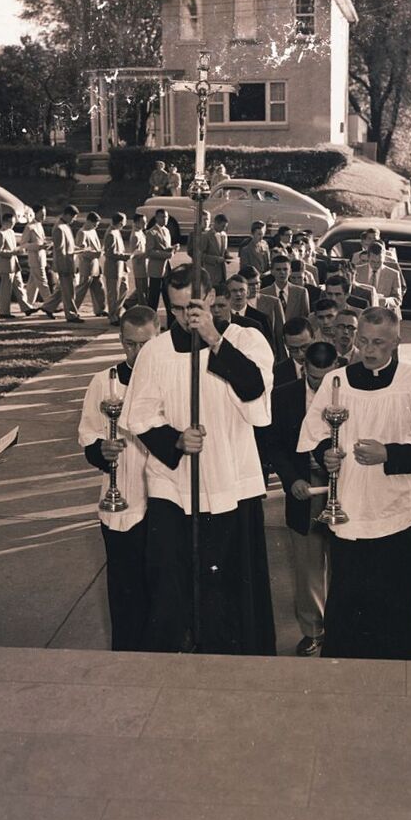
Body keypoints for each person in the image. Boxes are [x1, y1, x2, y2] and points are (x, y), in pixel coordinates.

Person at [120, 264, 276, 655]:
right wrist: (175, 440)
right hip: (174, 487)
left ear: (209, 298)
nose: (180, 317)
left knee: (231, 589)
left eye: (188, 307)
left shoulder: (248, 339)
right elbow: (138, 415)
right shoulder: (155, 351)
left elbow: (255, 389)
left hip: (230, 480)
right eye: (172, 309)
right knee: (170, 586)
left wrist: (211, 337)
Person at [298, 306, 411, 660]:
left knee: (396, 608)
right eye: (363, 341)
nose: (369, 350)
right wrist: (328, 453)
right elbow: (317, 432)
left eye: (379, 343)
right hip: (351, 510)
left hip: (396, 512)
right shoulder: (338, 380)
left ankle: (402, 679)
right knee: (347, 604)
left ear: (396, 341)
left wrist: (390, 454)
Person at [78, 306, 159, 651]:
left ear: (159, 337)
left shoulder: (171, 379)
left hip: (162, 499)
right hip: (121, 500)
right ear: (121, 340)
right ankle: (126, 655)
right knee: (125, 586)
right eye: (129, 344)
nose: (137, 353)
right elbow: (88, 435)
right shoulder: (104, 381)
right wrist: (101, 451)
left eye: (145, 344)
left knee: (162, 585)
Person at [260, 340, 341, 656]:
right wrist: (290, 479)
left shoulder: (351, 393)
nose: (320, 385)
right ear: (304, 366)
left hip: (342, 487)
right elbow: (274, 445)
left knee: (342, 561)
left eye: (327, 377)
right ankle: (314, 631)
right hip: (302, 487)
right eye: (314, 377)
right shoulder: (284, 395)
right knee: (307, 565)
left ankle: (339, 627)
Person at [0, 211, 37, 319]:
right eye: (11, 222)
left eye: (13, 222)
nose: (13, 224)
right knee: (6, 289)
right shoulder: (0, 234)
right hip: (5, 265)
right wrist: (12, 252)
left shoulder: (11, 232)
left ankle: (26, 307)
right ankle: (4, 312)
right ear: (5, 222)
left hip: (14, 264)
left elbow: (13, 247)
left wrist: (18, 250)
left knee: (20, 286)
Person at [41, 206, 83, 323]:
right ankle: (71, 315)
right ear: (67, 215)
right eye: (73, 217)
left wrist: (79, 249)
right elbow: (59, 251)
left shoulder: (65, 226)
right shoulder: (59, 228)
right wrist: (63, 267)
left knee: (62, 289)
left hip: (68, 262)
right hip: (64, 264)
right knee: (69, 290)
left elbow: (68, 246)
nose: (73, 220)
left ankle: (48, 307)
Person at [241, 264, 286, 360]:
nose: (255, 287)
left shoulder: (273, 302)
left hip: (267, 353)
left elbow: (279, 333)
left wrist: (281, 359)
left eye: (257, 283)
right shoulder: (235, 304)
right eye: (250, 284)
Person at [226, 273, 274, 351]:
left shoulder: (261, 319)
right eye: (234, 291)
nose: (238, 294)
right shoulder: (222, 318)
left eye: (242, 290)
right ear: (227, 294)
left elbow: (269, 349)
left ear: (247, 292)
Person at [72, 211, 107, 318]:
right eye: (94, 224)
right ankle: (72, 310)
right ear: (88, 221)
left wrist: (99, 252)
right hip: (86, 264)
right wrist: (95, 253)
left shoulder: (93, 231)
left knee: (99, 288)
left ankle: (100, 309)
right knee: (81, 290)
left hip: (95, 264)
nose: (96, 226)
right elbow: (81, 251)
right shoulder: (82, 232)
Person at [354, 242, 405, 309]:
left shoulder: (393, 274)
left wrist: (386, 301)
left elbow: (398, 299)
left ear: (384, 258)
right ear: (368, 257)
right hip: (361, 311)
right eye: (373, 261)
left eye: (379, 262)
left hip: (383, 312)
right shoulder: (357, 271)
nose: (376, 265)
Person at [103, 212, 132, 325]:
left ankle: (117, 313)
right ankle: (113, 316)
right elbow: (110, 253)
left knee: (124, 289)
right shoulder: (110, 233)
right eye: (124, 221)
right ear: (120, 222)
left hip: (121, 268)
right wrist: (126, 257)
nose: (125, 224)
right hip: (113, 268)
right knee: (113, 294)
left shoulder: (116, 231)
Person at [143, 211, 174, 317]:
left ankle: (171, 321)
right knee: (153, 298)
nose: (164, 219)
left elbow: (164, 247)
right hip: (156, 270)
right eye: (162, 217)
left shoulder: (166, 230)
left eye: (166, 217)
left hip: (166, 268)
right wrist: (167, 254)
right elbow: (150, 252)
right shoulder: (151, 232)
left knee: (168, 297)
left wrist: (172, 249)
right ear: (156, 218)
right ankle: (151, 320)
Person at [20, 205, 52, 307]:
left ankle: (28, 304)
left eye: (45, 214)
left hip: (41, 258)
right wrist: (38, 246)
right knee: (43, 282)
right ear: (36, 213)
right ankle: (50, 304)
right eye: (42, 214)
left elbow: (41, 241)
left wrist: (46, 245)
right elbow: (23, 244)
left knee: (33, 284)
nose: (44, 216)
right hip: (35, 259)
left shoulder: (39, 225)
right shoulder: (30, 227)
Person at [262, 255, 310, 321]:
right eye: (278, 269)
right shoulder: (263, 293)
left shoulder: (301, 292)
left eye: (285, 269)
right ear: (272, 271)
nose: (282, 272)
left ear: (290, 271)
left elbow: (305, 319)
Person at [274, 317, 315, 387]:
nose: (300, 354)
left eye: (305, 347)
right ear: (285, 344)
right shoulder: (276, 373)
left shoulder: (330, 366)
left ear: (314, 338)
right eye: (293, 349)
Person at [195, 211, 228, 287]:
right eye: (222, 226)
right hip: (210, 273)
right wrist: (215, 259)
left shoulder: (224, 235)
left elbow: (223, 251)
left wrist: (227, 256)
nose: (224, 229)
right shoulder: (206, 236)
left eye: (225, 227)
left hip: (222, 273)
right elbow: (200, 255)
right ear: (216, 223)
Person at [124, 213, 148, 308]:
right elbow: (134, 253)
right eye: (143, 222)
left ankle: (129, 303)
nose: (145, 224)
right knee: (141, 288)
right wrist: (147, 253)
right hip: (139, 264)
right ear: (137, 223)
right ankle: (142, 308)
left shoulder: (140, 232)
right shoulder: (135, 235)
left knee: (144, 287)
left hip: (144, 263)